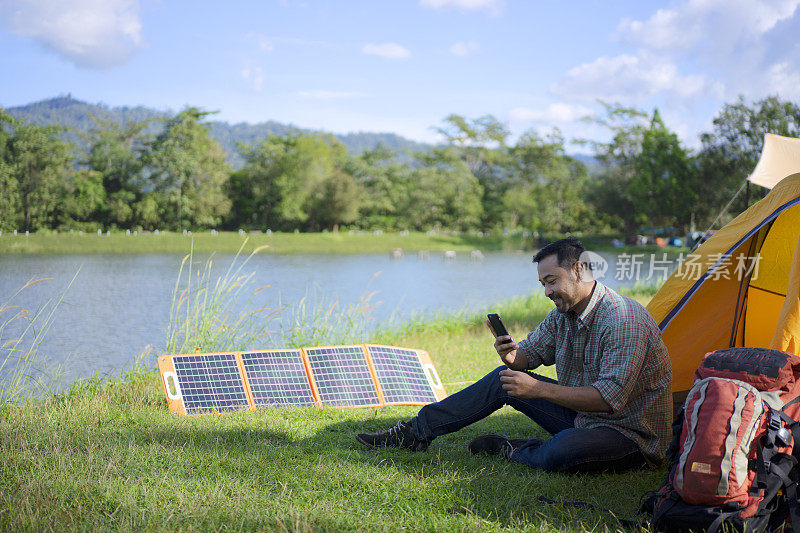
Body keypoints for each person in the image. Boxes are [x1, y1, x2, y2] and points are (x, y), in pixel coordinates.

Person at [356, 237, 673, 473]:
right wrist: (510, 356)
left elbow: (609, 399)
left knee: (562, 451)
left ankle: (514, 449)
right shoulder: (562, 314)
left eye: (551, 281)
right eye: (542, 284)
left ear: (579, 270)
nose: (547, 292)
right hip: (582, 419)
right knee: (503, 379)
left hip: (630, 434)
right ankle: (416, 432)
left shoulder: (623, 318)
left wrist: (538, 389)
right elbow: (528, 357)